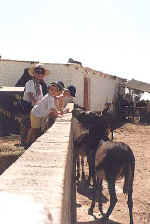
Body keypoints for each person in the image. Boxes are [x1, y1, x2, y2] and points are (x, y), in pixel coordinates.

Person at [24, 82, 64, 149]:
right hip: (36, 114)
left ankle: (31, 142)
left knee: (38, 129)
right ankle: (27, 143)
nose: (53, 92)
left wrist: (59, 112)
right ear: (48, 90)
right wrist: (59, 115)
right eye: (51, 90)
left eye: (55, 90)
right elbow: (53, 110)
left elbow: (55, 109)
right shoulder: (50, 98)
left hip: (40, 114)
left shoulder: (52, 97)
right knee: (34, 129)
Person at [18, 64, 49, 146]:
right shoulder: (30, 82)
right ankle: (23, 142)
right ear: (34, 73)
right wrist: (36, 104)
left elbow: (41, 98)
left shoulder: (40, 86)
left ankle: (30, 142)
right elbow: (30, 95)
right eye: (37, 72)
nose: (39, 74)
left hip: (35, 107)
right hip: (27, 105)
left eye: (41, 72)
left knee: (33, 126)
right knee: (26, 123)